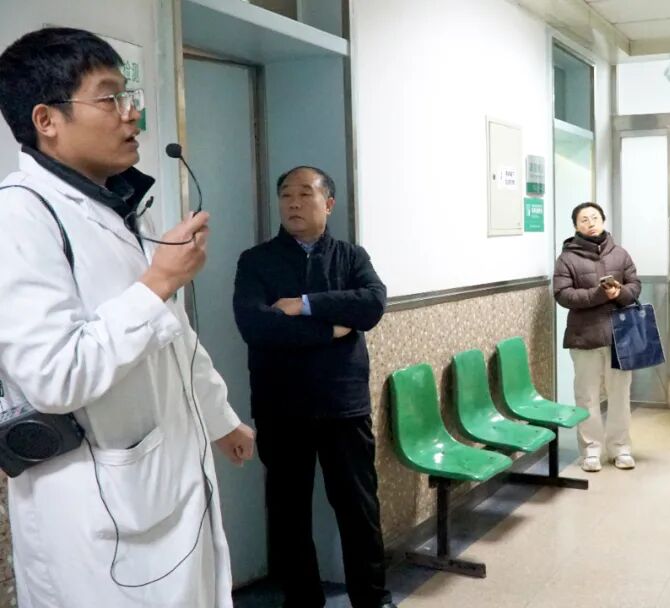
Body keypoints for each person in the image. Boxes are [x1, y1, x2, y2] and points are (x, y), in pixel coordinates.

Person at [0, 28, 254, 607]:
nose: (131, 114)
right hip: (95, 514)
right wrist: (159, 280)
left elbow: (173, 336)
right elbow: (54, 376)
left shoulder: (115, 207)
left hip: (161, 489)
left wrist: (220, 417)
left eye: (128, 96)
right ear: (47, 120)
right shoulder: (18, 216)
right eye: (110, 98)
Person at [232, 166, 395, 608]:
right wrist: (331, 329)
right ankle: (302, 600)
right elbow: (256, 326)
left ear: (329, 203)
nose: (294, 203)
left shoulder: (351, 257)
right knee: (288, 511)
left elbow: (372, 304)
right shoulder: (256, 261)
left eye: (306, 194)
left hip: (343, 404)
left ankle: (372, 599)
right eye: (286, 195)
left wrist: (303, 305)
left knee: (358, 506)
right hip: (281, 406)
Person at [553, 202, 641, 473]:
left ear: (603, 220)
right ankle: (591, 451)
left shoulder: (620, 253)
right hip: (585, 336)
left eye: (594, 217)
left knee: (620, 394)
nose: (590, 223)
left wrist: (620, 293)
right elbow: (563, 295)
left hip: (619, 336)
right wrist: (599, 294)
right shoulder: (567, 258)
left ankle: (620, 448)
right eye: (584, 219)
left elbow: (635, 286)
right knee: (587, 396)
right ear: (576, 226)